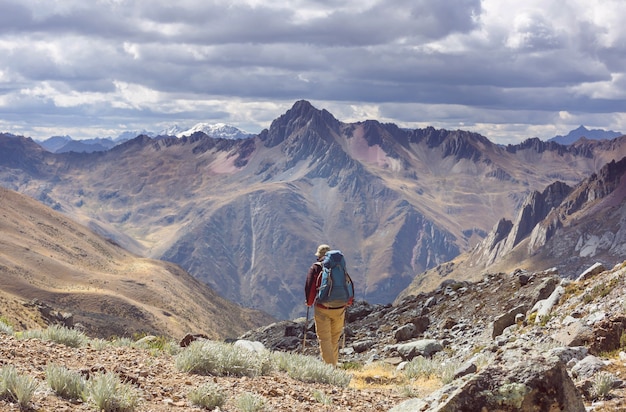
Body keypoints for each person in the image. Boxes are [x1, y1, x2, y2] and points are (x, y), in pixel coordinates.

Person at [304, 244, 347, 366]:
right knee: (334, 338)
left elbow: (310, 287)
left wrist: (309, 302)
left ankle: (330, 368)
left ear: (320, 256)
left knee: (325, 339)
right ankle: (334, 365)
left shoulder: (316, 268)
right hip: (340, 307)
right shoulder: (340, 266)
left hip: (323, 308)